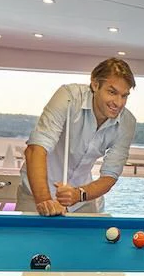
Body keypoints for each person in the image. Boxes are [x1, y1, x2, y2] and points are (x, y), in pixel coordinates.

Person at [23, 57, 137, 216]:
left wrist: (78, 194)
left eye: (124, 96)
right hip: (36, 194)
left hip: (81, 199)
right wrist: (45, 201)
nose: (118, 103)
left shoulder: (127, 122)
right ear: (95, 84)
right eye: (112, 92)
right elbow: (35, 149)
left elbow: (110, 175)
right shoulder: (68, 97)